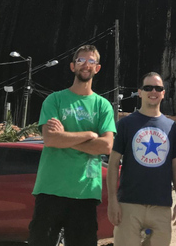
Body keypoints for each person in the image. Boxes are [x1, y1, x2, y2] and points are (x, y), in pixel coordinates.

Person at [28, 45, 117, 246]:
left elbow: (106, 146)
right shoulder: (55, 100)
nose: (86, 65)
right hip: (50, 189)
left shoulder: (102, 105)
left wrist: (65, 139)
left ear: (98, 68)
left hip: (85, 192)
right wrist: (88, 135)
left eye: (91, 61)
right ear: (72, 66)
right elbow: (50, 139)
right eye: (81, 60)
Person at [107, 72, 176, 246]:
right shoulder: (125, 124)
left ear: (163, 93)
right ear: (140, 92)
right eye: (148, 87)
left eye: (158, 88)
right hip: (129, 205)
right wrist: (112, 200)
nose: (153, 91)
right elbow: (113, 164)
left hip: (161, 206)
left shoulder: (171, 127)